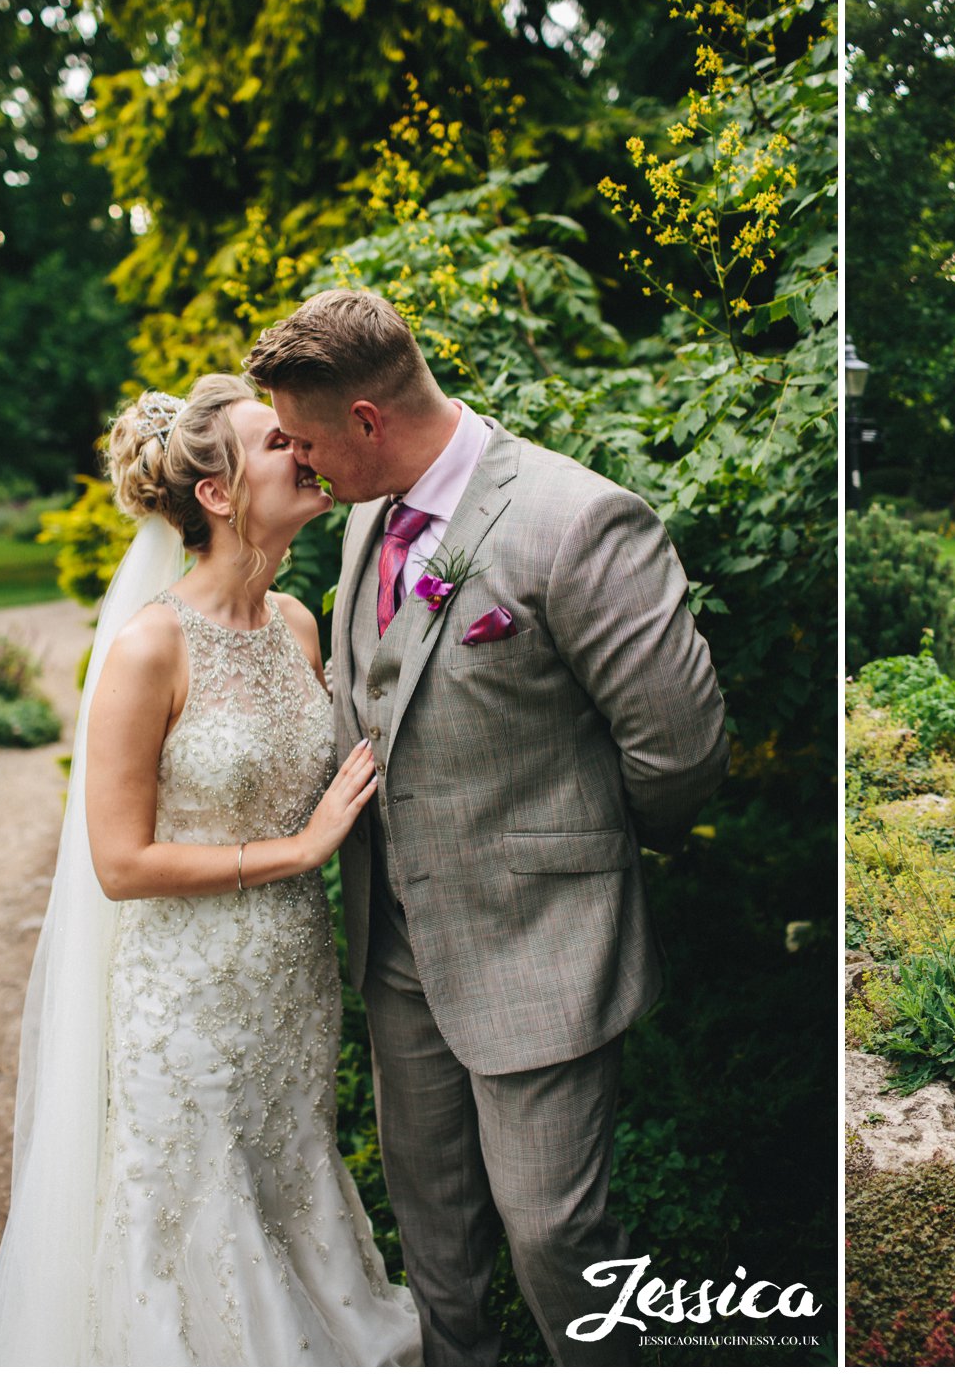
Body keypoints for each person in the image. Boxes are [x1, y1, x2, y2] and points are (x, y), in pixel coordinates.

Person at [247, 288, 729, 1366]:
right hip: (397, 947)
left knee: (558, 1234)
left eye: (311, 440)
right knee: (436, 1245)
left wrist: (581, 860)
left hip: (540, 944)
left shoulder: (578, 521)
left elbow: (682, 753)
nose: (302, 463)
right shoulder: (369, 512)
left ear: (368, 421)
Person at [0, 375, 420, 1364]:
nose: (305, 451)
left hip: (290, 988)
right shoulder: (147, 650)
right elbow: (121, 862)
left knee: (285, 1178)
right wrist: (301, 850)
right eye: (277, 445)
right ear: (216, 494)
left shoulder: (302, 623)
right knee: (196, 1220)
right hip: (184, 997)